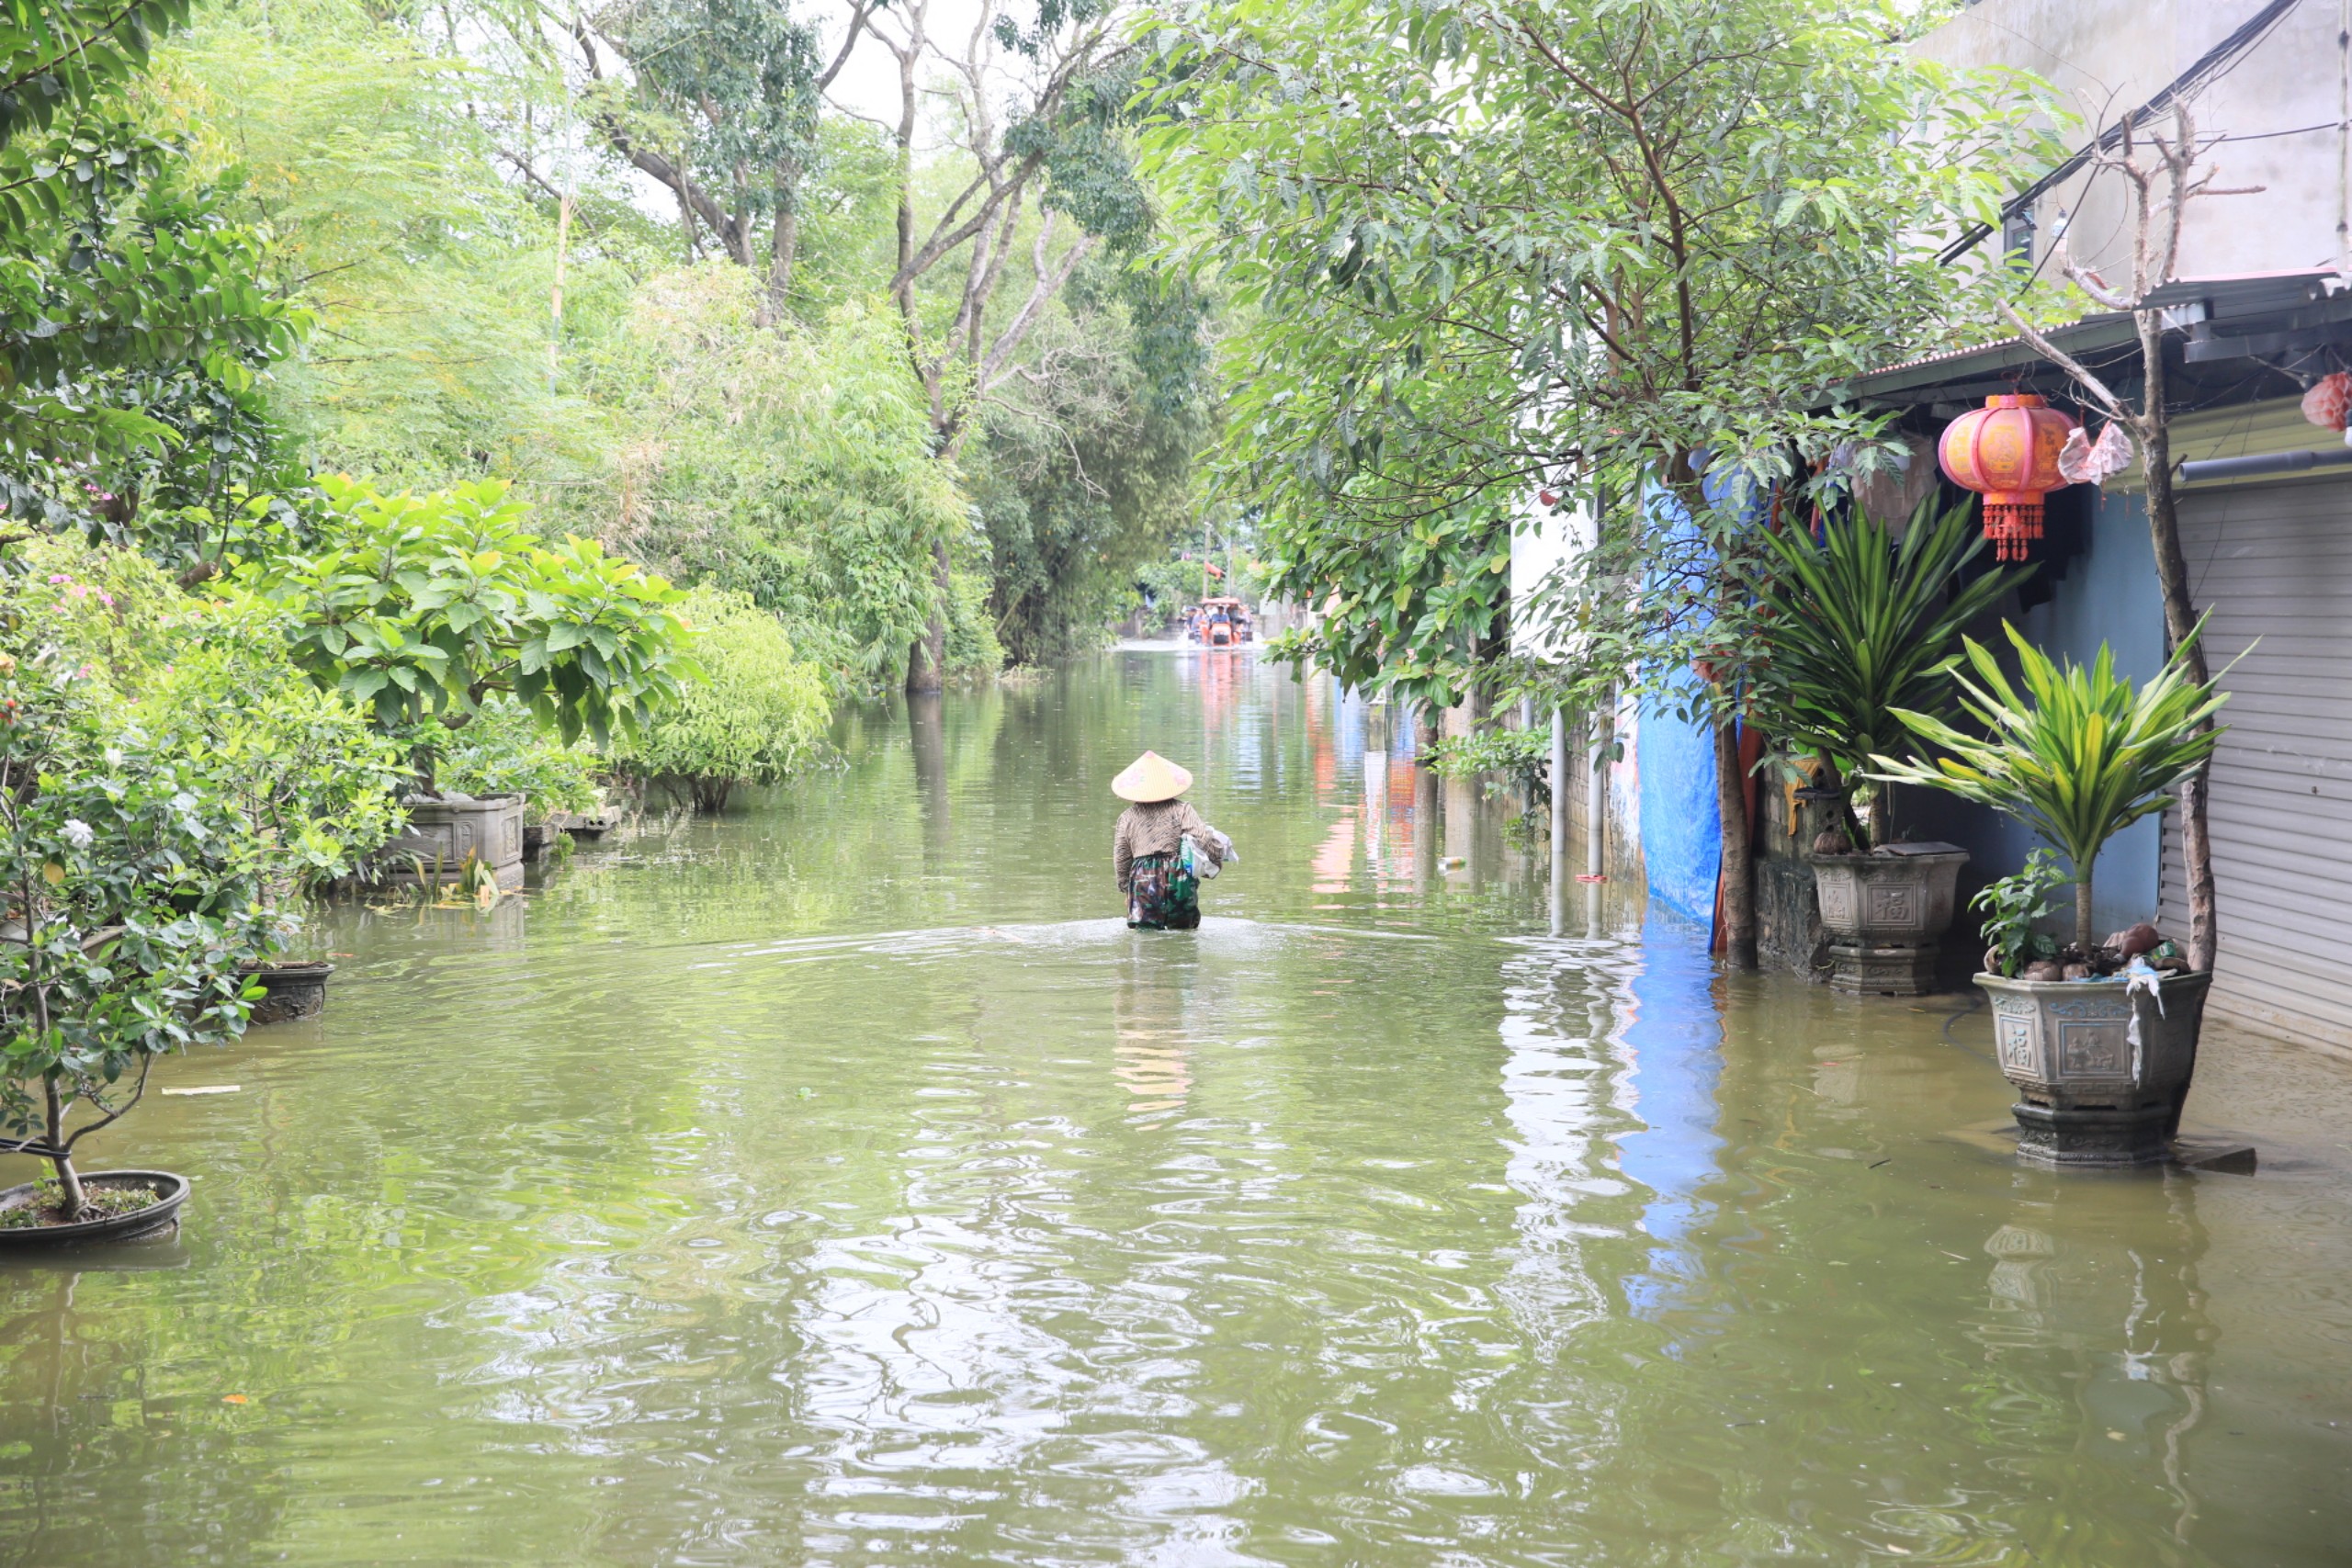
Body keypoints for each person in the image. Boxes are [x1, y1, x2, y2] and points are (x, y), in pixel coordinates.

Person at [1111, 751, 1234, 930]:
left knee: (1146, 936)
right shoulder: (1182, 810)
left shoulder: (1127, 818)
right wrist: (1215, 860)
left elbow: (1121, 858)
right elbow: (1203, 837)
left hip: (1142, 878)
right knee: (1183, 930)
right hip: (1178, 876)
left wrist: (1126, 889)